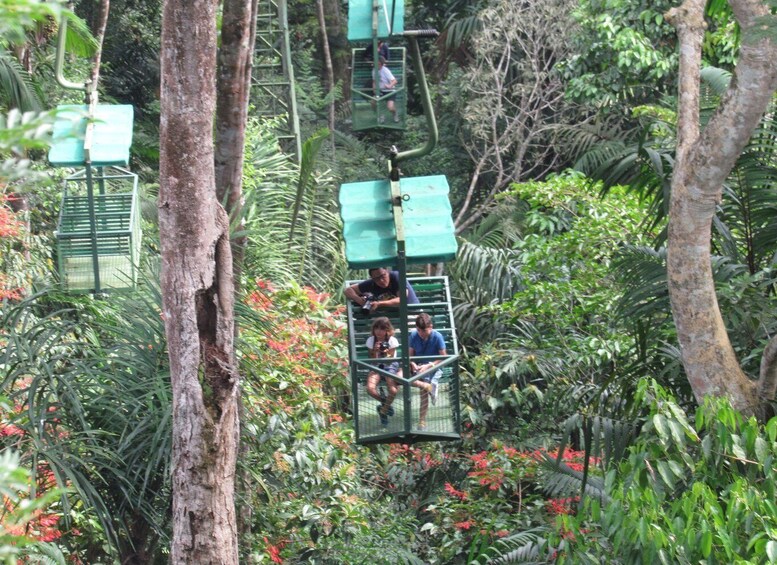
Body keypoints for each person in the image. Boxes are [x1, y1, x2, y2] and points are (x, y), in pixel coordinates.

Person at [366, 317, 433, 427]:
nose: (379, 331)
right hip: (376, 367)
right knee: (370, 389)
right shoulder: (371, 340)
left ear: (387, 330)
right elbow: (372, 357)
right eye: (376, 328)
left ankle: (383, 410)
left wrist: (384, 351)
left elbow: (390, 358)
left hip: (390, 366)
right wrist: (375, 350)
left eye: (382, 329)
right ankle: (385, 404)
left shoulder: (392, 340)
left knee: (393, 390)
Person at [409, 313, 447, 430]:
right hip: (418, 367)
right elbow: (410, 355)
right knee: (400, 377)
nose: (422, 333)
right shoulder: (413, 335)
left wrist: (429, 365)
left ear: (431, 326)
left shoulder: (437, 336)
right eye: (419, 330)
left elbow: (443, 357)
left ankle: (422, 421)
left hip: (432, 367)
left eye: (424, 330)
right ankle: (428, 386)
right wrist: (413, 364)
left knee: (423, 391)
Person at [344, 267, 418, 311]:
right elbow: (348, 290)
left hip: (412, 312)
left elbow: (402, 299)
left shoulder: (396, 276)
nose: (381, 281)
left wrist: (379, 304)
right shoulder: (372, 283)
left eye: (383, 276)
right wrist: (359, 300)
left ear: (387, 272)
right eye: (376, 278)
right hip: (391, 318)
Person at [377, 56, 398, 123]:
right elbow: (374, 81)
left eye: (379, 64)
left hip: (390, 91)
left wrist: (389, 86)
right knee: (373, 103)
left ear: (381, 64)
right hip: (381, 91)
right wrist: (374, 89)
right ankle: (381, 115)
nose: (377, 65)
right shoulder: (374, 70)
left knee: (390, 107)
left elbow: (394, 81)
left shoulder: (385, 70)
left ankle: (395, 114)